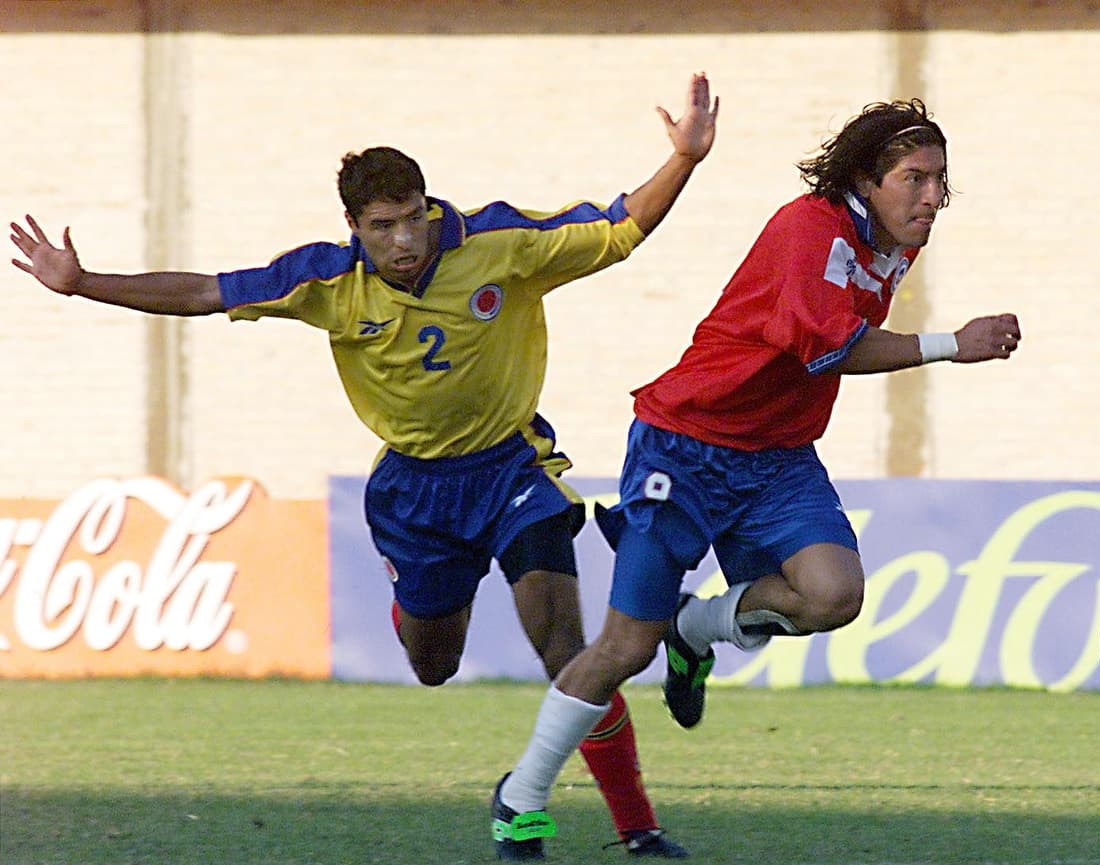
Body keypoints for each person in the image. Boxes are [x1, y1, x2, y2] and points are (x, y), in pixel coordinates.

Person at [10, 73, 720, 861]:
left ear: (428, 206)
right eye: (384, 226)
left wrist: (683, 160)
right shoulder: (323, 280)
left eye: (414, 218)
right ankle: (419, 605)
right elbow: (206, 291)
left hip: (514, 467)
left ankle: (635, 828)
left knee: (566, 644)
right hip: (414, 493)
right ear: (355, 226)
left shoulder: (496, 242)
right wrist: (82, 284)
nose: (406, 240)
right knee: (433, 663)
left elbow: (619, 228)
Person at [489, 98, 1022, 857]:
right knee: (621, 646)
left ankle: (693, 627)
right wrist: (951, 344)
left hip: (776, 458)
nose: (933, 197)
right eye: (915, 178)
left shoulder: (891, 240)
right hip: (686, 445)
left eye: (940, 179)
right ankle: (522, 795)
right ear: (866, 180)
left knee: (833, 593)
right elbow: (825, 347)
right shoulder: (807, 228)